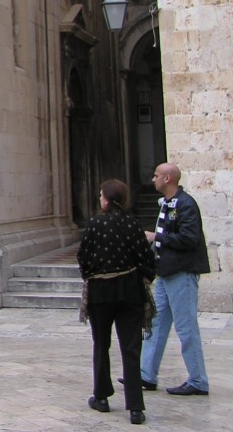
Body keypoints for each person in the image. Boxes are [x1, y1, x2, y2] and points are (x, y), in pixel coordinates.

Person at [77, 179, 156, 425]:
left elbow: (83, 257)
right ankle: (135, 407)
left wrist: (93, 274)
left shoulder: (94, 224)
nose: (100, 199)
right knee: (131, 348)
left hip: (100, 293)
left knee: (101, 343)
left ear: (108, 200)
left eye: (101, 195)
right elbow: (146, 258)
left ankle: (101, 396)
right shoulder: (132, 224)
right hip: (129, 291)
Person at [139, 162, 210, 396]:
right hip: (166, 273)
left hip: (181, 272)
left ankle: (198, 380)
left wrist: (156, 236)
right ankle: (146, 374)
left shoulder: (186, 204)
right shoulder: (168, 203)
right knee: (156, 323)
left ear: (167, 178)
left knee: (186, 327)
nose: (153, 179)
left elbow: (189, 238)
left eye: (156, 175)